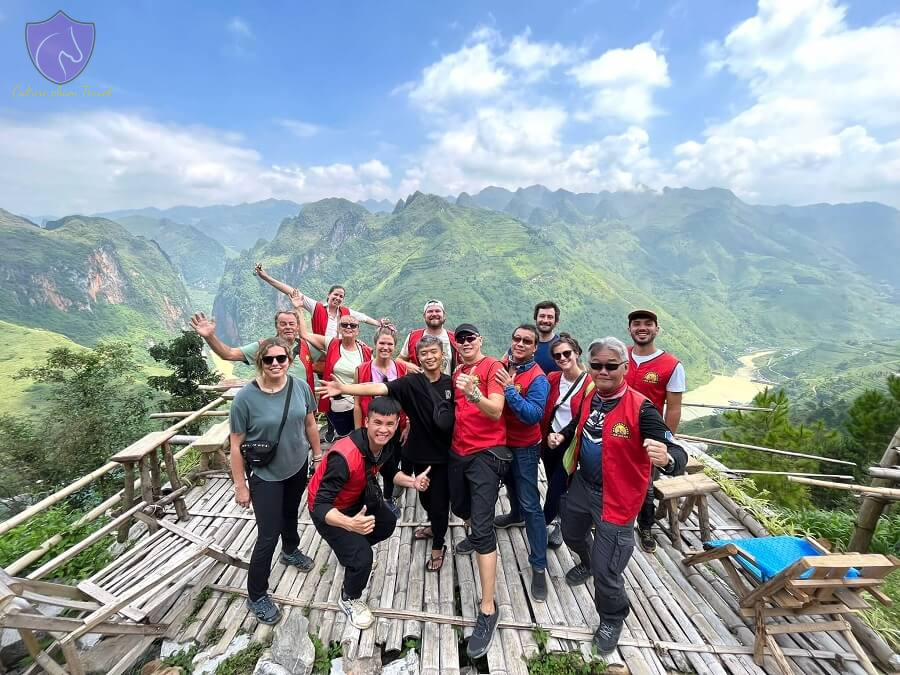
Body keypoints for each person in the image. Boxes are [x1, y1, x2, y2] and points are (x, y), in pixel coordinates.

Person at [547, 336, 686, 656]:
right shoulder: (591, 395)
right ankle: (587, 561)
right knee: (571, 533)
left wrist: (666, 459)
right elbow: (579, 426)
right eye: (597, 365)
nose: (603, 371)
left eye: (612, 365)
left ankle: (611, 617)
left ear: (625, 368)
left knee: (608, 570)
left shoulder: (642, 408)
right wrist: (562, 436)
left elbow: (677, 452)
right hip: (583, 485)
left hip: (618, 497)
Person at [317, 334, 454, 572]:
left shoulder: (451, 383)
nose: (429, 357)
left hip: (444, 456)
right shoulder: (411, 383)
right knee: (425, 498)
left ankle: (438, 545)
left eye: (434, 352)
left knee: (440, 503)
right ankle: (434, 525)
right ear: (417, 358)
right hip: (419, 454)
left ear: (442, 355)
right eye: (424, 353)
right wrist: (345, 388)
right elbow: (378, 387)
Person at [307, 396, 427, 629]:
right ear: (367, 423)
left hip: (357, 498)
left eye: (390, 424)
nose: (384, 429)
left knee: (387, 522)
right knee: (363, 558)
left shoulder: (387, 445)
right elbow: (320, 505)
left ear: (397, 424)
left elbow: (392, 472)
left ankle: (350, 553)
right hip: (329, 509)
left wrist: (413, 482)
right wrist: (350, 525)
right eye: (378, 423)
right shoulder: (344, 456)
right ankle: (349, 598)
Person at [228, 337, 322, 625]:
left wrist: (318, 457)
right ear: (260, 362)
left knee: (290, 514)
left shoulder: (300, 387)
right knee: (267, 535)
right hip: (266, 474)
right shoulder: (245, 398)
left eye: (281, 358)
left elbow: (309, 423)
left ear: (289, 360)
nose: (276, 364)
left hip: (296, 466)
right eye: (269, 359)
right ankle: (257, 594)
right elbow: (235, 445)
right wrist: (240, 485)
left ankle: (291, 550)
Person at [448, 323, 508, 659]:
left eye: (471, 338)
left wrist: (475, 394)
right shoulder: (458, 369)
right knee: (461, 508)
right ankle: (473, 531)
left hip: (486, 455)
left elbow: (496, 409)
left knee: (483, 527)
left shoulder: (492, 367)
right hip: (458, 451)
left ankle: (488, 609)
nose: (466, 342)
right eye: (461, 339)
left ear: (480, 341)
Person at [492, 324, 550, 602]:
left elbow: (533, 415)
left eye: (527, 341)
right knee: (510, 486)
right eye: (517, 338)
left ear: (535, 347)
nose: (520, 343)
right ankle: (513, 515)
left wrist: (509, 390)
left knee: (531, 503)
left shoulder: (538, 379)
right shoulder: (505, 364)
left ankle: (539, 566)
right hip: (502, 442)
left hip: (526, 447)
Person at [624, 309, 686, 554]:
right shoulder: (621, 355)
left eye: (648, 324)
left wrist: (666, 443)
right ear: (629, 329)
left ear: (657, 329)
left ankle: (646, 526)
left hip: (648, 436)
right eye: (636, 323)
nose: (642, 327)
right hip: (615, 430)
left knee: (645, 483)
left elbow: (674, 408)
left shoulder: (671, 365)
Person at [540, 334, 591, 550]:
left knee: (558, 487)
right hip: (549, 441)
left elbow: (583, 417)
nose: (562, 358)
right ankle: (560, 520)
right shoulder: (552, 377)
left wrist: (562, 435)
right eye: (557, 355)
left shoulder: (590, 383)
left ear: (577, 353)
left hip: (570, 444)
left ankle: (542, 524)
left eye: (567, 353)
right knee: (553, 481)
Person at [190, 307, 316, 392]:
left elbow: (331, 359)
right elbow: (229, 354)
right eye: (283, 324)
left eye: (291, 324)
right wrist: (210, 337)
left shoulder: (308, 347)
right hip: (271, 404)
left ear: (298, 327)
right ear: (276, 327)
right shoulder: (263, 346)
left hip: (302, 405)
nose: (288, 327)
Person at [354, 327, 408, 517]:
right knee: (369, 465)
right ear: (375, 344)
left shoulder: (401, 368)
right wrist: (358, 432)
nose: (385, 347)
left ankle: (387, 497)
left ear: (395, 346)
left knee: (392, 461)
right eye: (382, 343)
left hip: (396, 426)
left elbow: (408, 398)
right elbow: (358, 404)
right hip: (371, 428)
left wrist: (407, 423)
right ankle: (369, 500)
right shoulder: (362, 369)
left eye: (389, 344)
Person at [254, 263, 388, 338]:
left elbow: (363, 318)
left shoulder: (345, 313)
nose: (338, 298)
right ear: (328, 295)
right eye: (336, 294)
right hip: (319, 349)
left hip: (338, 350)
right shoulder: (317, 308)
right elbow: (291, 291)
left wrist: (379, 324)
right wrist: (266, 277)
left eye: (341, 296)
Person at [298, 306, 372, 438]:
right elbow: (304, 335)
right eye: (344, 325)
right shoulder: (331, 343)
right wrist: (298, 308)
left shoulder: (365, 351)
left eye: (353, 326)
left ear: (357, 331)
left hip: (360, 403)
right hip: (339, 404)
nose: (349, 327)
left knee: (361, 436)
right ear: (339, 328)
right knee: (345, 435)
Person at [396, 299, 458, 376]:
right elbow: (398, 360)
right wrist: (407, 365)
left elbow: (464, 363)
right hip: (420, 386)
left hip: (448, 385)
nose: (434, 314)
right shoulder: (413, 337)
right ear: (424, 316)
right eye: (430, 311)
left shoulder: (454, 338)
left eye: (437, 311)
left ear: (444, 315)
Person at [533, 301, 562, 374]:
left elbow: (580, 372)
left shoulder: (562, 347)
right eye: (542, 316)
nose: (545, 320)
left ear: (556, 321)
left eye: (550, 317)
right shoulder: (524, 342)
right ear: (535, 318)